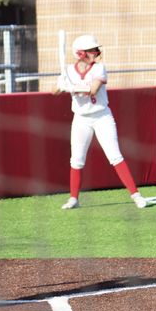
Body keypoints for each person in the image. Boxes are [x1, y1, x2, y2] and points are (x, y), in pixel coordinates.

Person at [53, 34, 147, 210]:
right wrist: (60, 85)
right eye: (91, 51)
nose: (96, 53)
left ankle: (136, 195)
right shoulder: (69, 71)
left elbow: (93, 90)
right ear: (80, 54)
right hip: (81, 119)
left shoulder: (99, 68)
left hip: (101, 116)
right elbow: (54, 92)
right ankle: (74, 198)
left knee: (115, 156)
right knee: (77, 160)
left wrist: (72, 87)